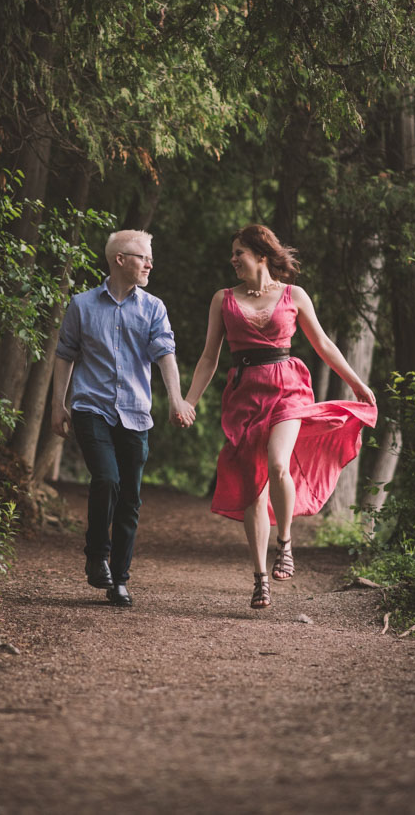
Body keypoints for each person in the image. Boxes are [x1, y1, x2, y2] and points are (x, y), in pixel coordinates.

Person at [182, 224, 377, 610]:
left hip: (288, 386)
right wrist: (188, 401)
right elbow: (209, 357)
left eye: (239, 252)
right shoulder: (223, 299)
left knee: (277, 462)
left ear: (262, 255)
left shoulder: (294, 296)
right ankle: (260, 578)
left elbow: (322, 343)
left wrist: (356, 383)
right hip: (244, 393)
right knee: (252, 485)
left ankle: (285, 543)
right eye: (233, 253)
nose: (233, 260)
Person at [52, 229, 195, 607]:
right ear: (120, 260)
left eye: (150, 258)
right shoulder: (81, 305)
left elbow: (165, 355)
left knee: (130, 499)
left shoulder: (153, 308)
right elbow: (65, 354)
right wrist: (57, 404)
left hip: (135, 412)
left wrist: (176, 399)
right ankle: (97, 555)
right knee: (107, 479)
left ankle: (119, 579)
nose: (150, 264)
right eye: (143, 257)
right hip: (90, 407)